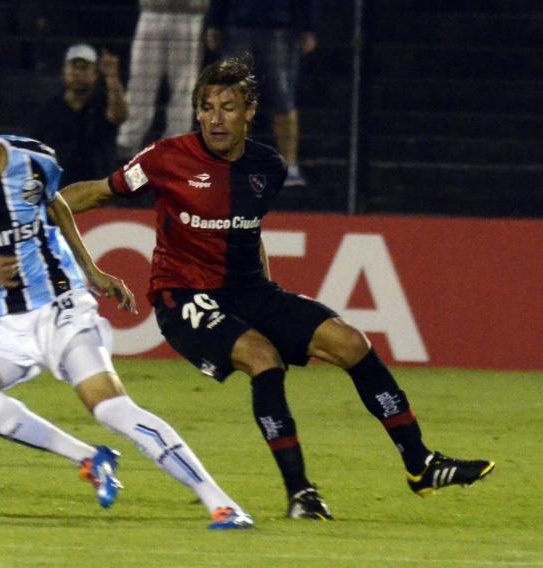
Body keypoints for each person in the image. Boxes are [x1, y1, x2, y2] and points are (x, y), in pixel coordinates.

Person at [61, 57, 495, 520]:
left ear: (250, 112)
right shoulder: (165, 159)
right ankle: (301, 494)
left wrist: (269, 295)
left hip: (250, 290)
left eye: (228, 107)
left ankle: (420, 464)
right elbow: (72, 199)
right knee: (262, 357)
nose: (215, 118)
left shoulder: (268, 166)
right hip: (182, 295)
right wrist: (92, 270)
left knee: (351, 342)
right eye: (206, 107)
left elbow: (247, 230)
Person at [0, 78, 252, 530]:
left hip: (61, 307)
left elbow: (56, 208)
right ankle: (90, 458)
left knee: (112, 408)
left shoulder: (35, 160)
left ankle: (222, 503)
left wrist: (92, 272)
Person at [205, 0, 318, 187]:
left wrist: (309, 27)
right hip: (240, 26)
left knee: (282, 99)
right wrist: (214, 22)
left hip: (278, 27)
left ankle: (289, 166)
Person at [115, 0, 208, 160]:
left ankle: (177, 145)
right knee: (141, 81)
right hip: (152, 9)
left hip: (189, 13)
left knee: (184, 86)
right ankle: (128, 142)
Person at [33, 44, 127, 187]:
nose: (77, 73)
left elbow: (119, 116)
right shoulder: (49, 110)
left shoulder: (103, 103)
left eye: (84, 68)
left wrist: (111, 76)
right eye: (73, 67)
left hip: (97, 192)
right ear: (64, 71)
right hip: (59, 192)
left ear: (95, 74)